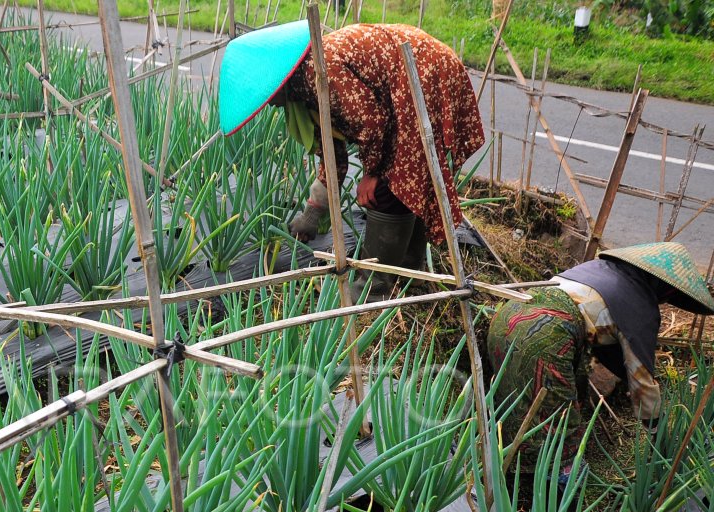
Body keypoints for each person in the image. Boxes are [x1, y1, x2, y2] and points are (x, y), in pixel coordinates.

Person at [217, 21, 485, 298]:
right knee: (408, 180)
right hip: (415, 70)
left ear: (279, 83)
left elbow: (371, 124)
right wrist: (313, 212)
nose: (270, 104)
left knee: (391, 185)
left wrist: (373, 173)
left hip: (424, 71)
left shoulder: (319, 74)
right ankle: (410, 274)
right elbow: (333, 153)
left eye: (268, 97)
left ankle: (371, 290)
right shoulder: (306, 85)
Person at [487, 242, 714, 470]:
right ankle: (554, 484)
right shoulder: (640, 306)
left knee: (514, 396)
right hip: (546, 333)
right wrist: (657, 428)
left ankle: (502, 462)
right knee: (558, 420)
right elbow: (641, 378)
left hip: (508, 314)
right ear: (664, 288)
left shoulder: (595, 269)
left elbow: (603, 340)